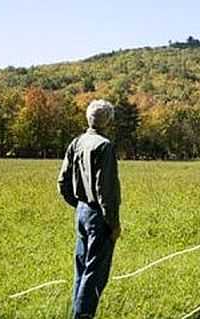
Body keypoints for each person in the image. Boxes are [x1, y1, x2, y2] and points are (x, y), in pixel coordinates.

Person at [58, 99, 122, 318]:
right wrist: (113, 223)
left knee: (81, 268)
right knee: (95, 272)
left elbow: (62, 182)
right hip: (98, 216)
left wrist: (79, 205)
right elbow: (107, 191)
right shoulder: (104, 146)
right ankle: (83, 316)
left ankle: (76, 313)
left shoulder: (76, 142)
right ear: (108, 122)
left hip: (82, 212)